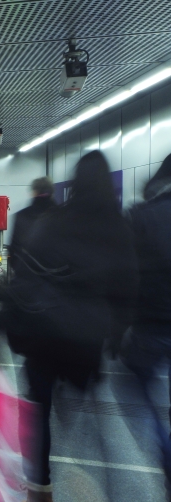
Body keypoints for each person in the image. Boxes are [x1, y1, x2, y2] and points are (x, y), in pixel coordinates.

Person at [7, 152, 137, 501]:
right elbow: (128, 287)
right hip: (87, 337)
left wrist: (3, 323)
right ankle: (105, 482)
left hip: (45, 332)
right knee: (88, 412)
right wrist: (116, 331)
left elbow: (26, 274)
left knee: (39, 409)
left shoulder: (55, 221)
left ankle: (41, 484)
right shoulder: (119, 227)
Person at [119, 154, 171, 487]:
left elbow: (125, 275)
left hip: (151, 324)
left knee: (137, 387)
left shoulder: (142, 216)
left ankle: (165, 450)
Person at [8, 177, 56, 269]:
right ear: (52, 193)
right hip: (56, 278)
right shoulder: (62, 215)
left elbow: (14, 250)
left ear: (34, 192)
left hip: (26, 276)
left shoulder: (21, 216)